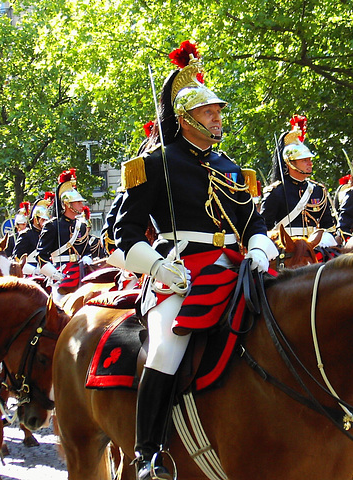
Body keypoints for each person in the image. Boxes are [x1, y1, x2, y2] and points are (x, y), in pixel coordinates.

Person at [113, 41, 276, 480]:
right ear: (185, 120)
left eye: (218, 111)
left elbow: (252, 221)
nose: (218, 117)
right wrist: (156, 265)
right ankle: (147, 452)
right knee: (167, 348)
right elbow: (121, 234)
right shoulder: (154, 163)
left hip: (233, 266)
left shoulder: (231, 166)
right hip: (179, 272)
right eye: (208, 113)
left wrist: (259, 246)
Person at [260, 115, 338, 246]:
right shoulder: (276, 192)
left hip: (314, 246)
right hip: (288, 247)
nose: (310, 163)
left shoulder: (318, 190)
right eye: (304, 160)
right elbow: (264, 228)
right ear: (290, 163)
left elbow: (328, 226)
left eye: (310, 159)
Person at [35, 169, 92, 299]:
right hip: (61, 277)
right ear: (67, 204)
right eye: (78, 202)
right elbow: (41, 257)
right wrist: (55, 275)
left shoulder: (81, 226)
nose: (81, 205)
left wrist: (87, 259)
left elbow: (86, 251)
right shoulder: (52, 226)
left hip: (81, 274)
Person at [14, 192, 54, 275]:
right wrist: (33, 271)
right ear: (36, 219)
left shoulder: (50, 234)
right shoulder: (26, 234)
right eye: (43, 220)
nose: (46, 223)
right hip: (31, 273)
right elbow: (17, 259)